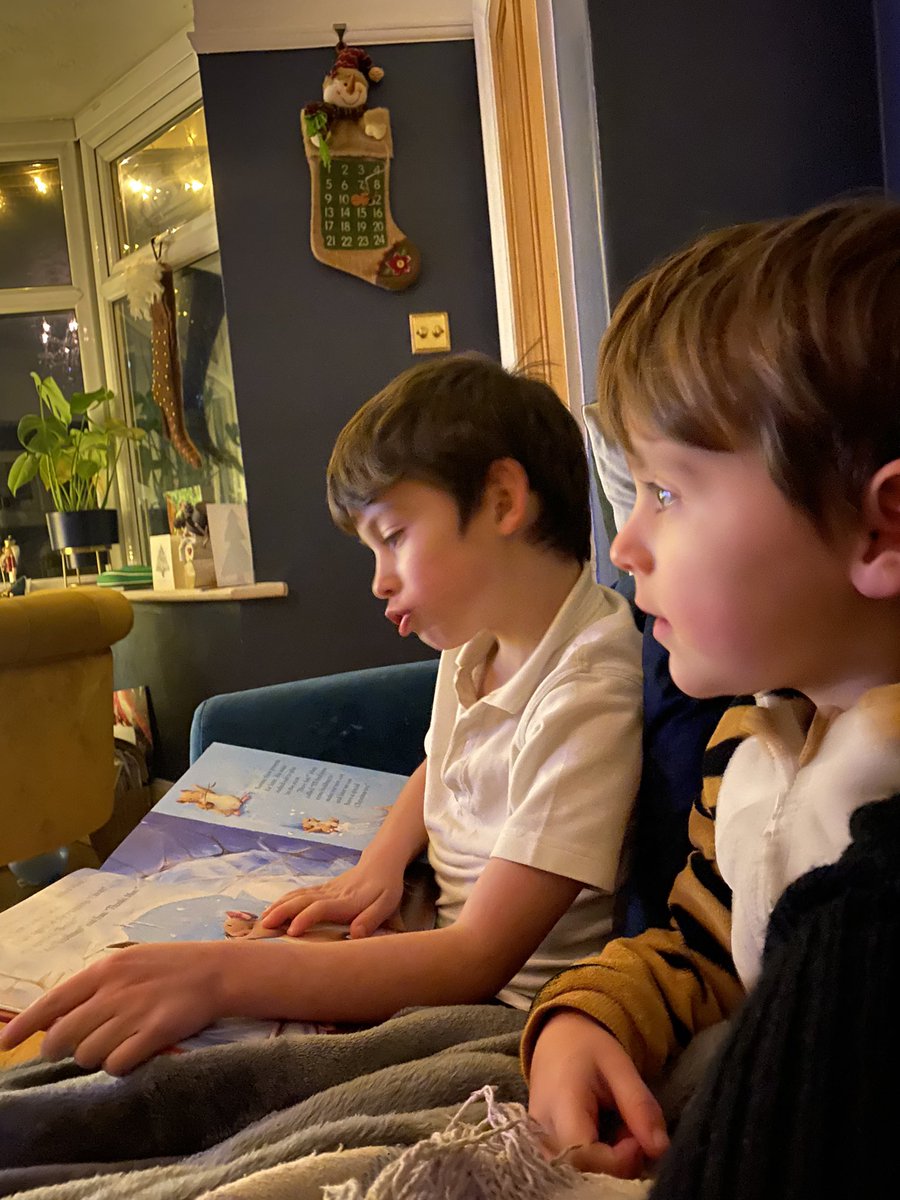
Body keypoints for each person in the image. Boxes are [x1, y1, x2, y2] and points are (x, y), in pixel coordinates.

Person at [0, 354, 643, 1075]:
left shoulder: (587, 684)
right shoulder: (477, 641)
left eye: (393, 537)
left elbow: (479, 959)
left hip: (510, 1010)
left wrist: (213, 978)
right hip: (433, 925)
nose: (379, 580)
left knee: (189, 1051)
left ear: (500, 500)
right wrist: (379, 863)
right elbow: (445, 760)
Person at [523, 197, 900, 1179]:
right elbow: (696, 951)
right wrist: (581, 1021)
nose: (624, 542)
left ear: (884, 529)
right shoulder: (754, 731)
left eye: (668, 492)